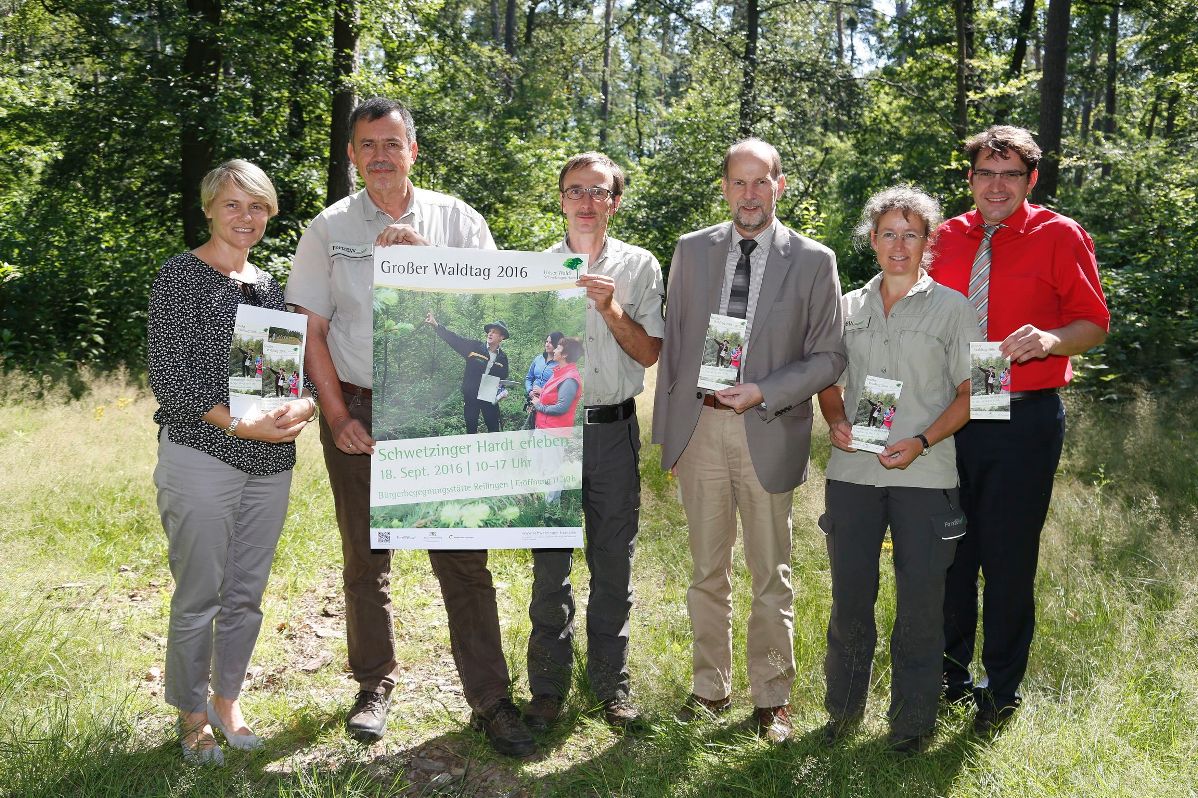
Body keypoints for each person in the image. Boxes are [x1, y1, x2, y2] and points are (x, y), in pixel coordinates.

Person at [286, 97, 536, 757]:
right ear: (351, 155)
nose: (380, 156)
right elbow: (310, 330)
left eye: (392, 143)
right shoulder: (328, 229)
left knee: (463, 560)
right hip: (360, 409)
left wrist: (430, 261)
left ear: (413, 151)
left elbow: (496, 313)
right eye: (367, 145)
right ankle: (374, 685)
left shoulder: (457, 221)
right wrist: (337, 414)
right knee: (366, 563)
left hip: (438, 413)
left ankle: (491, 699)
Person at [652, 138, 846, 744]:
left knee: (771, 575)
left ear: (780, 186)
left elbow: (828, 356)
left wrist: (764, 389)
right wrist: (671, 441)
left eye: (761, 182)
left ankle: (771, 698)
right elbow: (678, 345)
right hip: (702, 429)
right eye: (739, 182)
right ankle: (710, 688)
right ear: (725, 188)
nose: (750, 194)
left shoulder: (814, 260)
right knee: (707, 571)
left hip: (767, 428)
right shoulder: (690, 251)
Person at [932, 125, 1110, 734]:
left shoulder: (1060, 235)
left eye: (1011, 175)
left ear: (1031, 180)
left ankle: (999, 692)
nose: (997, 185)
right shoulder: (944, 236)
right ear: (971, 178)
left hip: (1021, 415)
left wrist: (1051, 339)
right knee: (950, 555)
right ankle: (949, 680)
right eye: (986, 172)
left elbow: (1094, 322)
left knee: (1007, 560)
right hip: (951, 413)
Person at [148, 160, 316, 765]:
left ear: (269, 214)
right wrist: (242, 423)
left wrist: (301, 407)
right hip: (202, 456)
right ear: (208, 209)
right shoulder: (180, 277)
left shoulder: (268, 287)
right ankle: (191, 716)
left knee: (246, 594)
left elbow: (281, 376)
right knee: (200, 596)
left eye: (257, 207)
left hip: (269, 464)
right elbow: (171, 379)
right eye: (232, 206)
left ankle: (227, 700)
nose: (245, 218)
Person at [816, 185, 982, 753]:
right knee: (850, 602)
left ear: (928, 242)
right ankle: (840, 717)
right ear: (872, 240)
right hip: (854, 475)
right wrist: (835, 419)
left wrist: (922, 439)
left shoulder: (958, 308)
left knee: (920, 607)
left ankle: (912, 726)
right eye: (889, 233)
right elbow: (828, 380)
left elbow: (980, 392)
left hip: (927, 476)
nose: (899, 244)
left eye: (912, 234)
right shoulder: (845, 307)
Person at [523, 152, 664, 733]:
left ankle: (612, 684)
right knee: (549, 563)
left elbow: (649, 352)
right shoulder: (531, 270)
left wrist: (610, 308)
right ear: (561, 199)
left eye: (599, 192)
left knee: (613, 561)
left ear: (615, 202)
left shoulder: (640, 266)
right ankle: (547, 689)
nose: (586, 200)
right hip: (552, 437)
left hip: (611, 431)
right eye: (575, 190)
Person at [424, 314, 510, 434]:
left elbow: (503, 377)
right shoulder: (474, 347)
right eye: (489, 331)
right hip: (471, 395)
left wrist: (501, 391)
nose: (490, 334)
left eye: (494, 332)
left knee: (494, 428)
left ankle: (492, 452)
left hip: (489, 394)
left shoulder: (502, 358)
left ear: (501, 337)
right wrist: (436, 325)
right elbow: (454, 339)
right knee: (471, 429)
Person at [530, 336, 584, 505]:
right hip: (542, 427)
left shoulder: (570, 378)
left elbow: (562, 407)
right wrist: (541, 392)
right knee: (535, 462)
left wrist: (539, 406)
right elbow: (553, 397)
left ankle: (551, 508)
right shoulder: (558, 373)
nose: (554, 350)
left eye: (558, 349)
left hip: (554, 432)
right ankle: (539, 500)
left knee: (552, 469)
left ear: (565, 354)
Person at [525, 332, 564, 398]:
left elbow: (560, 389)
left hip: (548, 403)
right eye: (546, 341)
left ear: (558, 345)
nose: (547, 345)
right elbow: (529, 378)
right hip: (532, 400)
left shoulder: (560, 364)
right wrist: (530, 391)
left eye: (551, 343)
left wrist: (542, 392)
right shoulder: (538, 359)